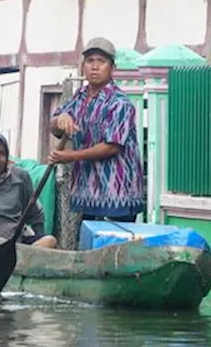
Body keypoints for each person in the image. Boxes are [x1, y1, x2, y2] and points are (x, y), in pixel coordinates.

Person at [48, 37, 145, 223]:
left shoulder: (120, 103)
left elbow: (111, 147)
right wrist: (60, 119)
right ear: (83, 66)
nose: (94, 66)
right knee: (88, 246)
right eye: (90, 61)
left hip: (117, 194)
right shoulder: (79, 97)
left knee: (113, 248)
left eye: (101, 61)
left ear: (112, 68)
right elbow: (55, 126)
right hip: (88, 192)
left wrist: (71, 157)